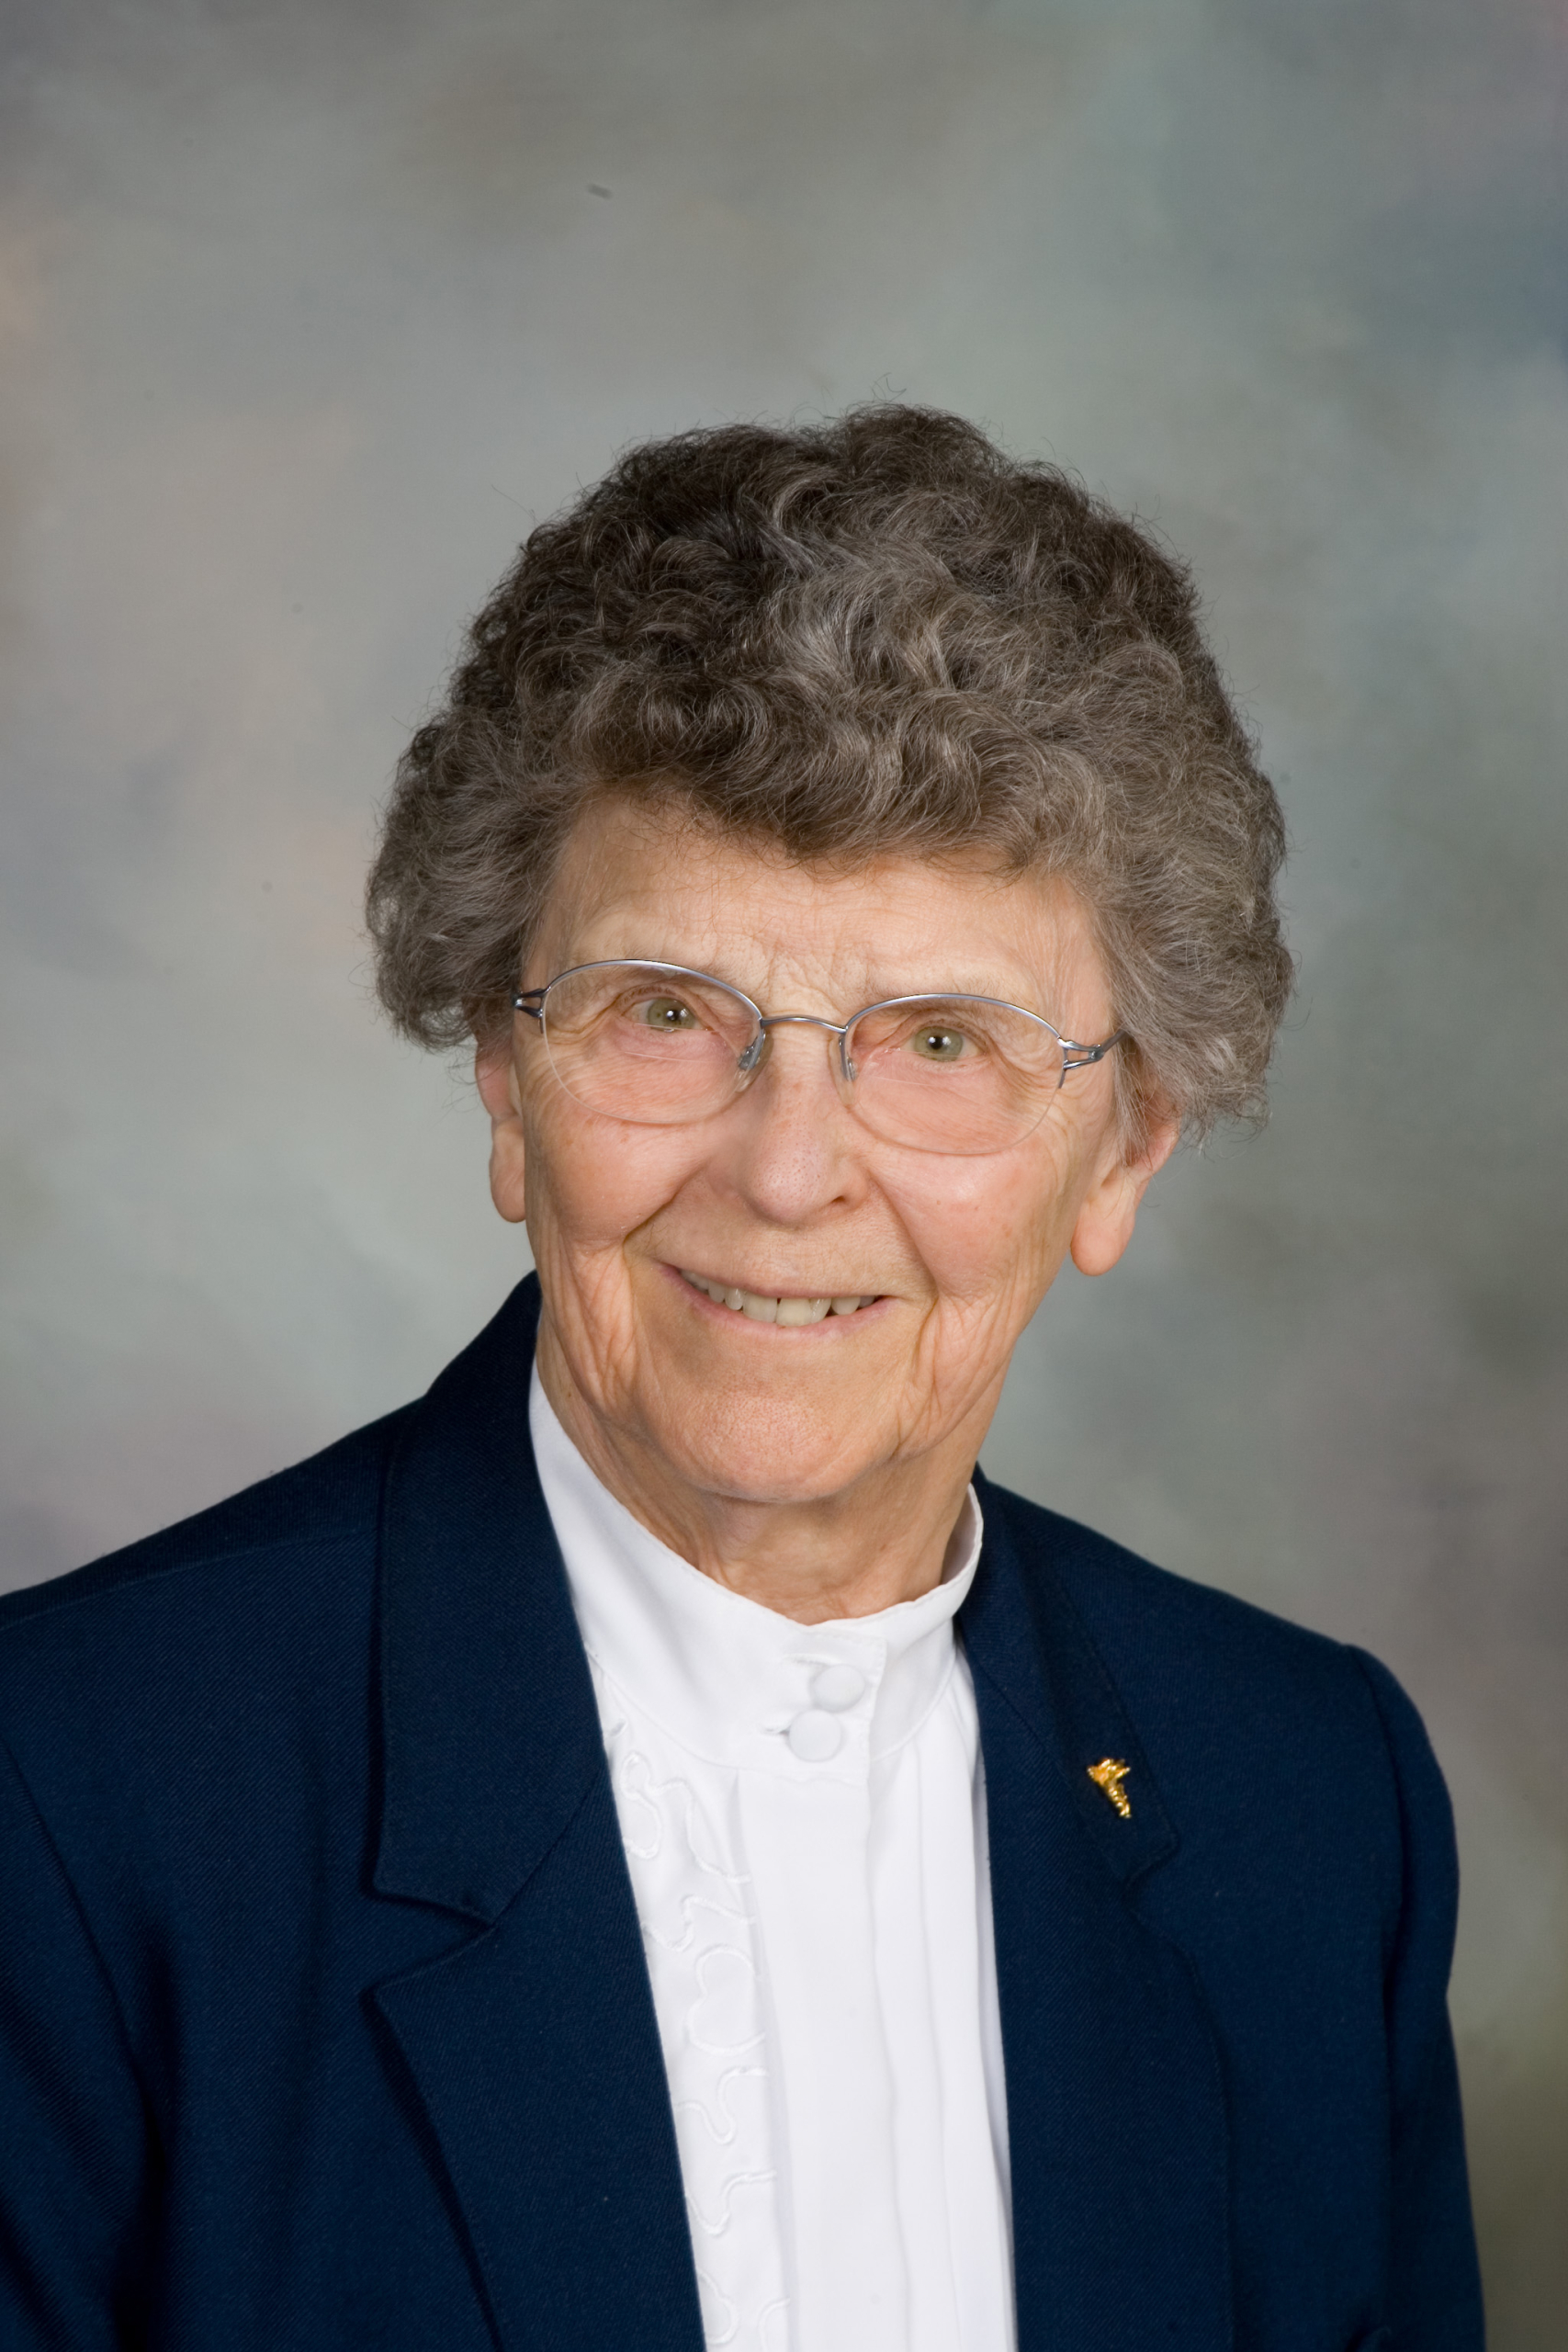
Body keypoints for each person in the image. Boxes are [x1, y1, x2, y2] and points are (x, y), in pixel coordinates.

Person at [0, 408, 1483, 2351]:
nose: (787, 1175)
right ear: (505, 1078)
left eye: (938, 1040)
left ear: (1123, 1145)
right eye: (666, 1013)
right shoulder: (69, 1793)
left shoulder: (1311, 1801)